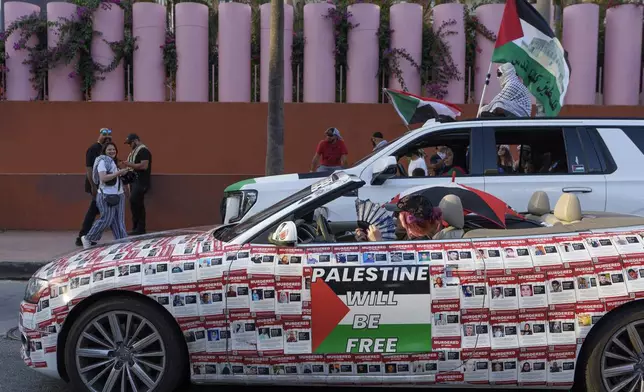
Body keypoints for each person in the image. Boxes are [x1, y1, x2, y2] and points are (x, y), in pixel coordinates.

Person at [80, 142, 129, 249]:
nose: (112, 152)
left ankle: (123, 242)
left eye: (114, 150)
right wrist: (118, 173)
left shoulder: (114, 162)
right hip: (106, 195)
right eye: (109, 150)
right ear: (104, 151)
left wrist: (123, 174)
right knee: (107, 218)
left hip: (119, 195)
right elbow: (103, 178)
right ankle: (88, 238)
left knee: (119, 220)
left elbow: (116, 178)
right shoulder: (102, 161)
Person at [76, 127, 112, 247]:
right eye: (104, 135)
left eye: (108, 136)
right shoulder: (93, 149)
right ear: (99, 135)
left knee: (97, 211)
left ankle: (86, 236)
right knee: (95, 211)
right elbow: (89, 169)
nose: (106, 138)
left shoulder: (106, 149)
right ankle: (84, 236)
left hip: (104, 185)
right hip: (96, 185)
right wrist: (93, 186)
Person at [356, 194, 443, 242]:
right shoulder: (414, 237)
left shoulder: (420, 243)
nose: (394, 216)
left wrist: (377, 244)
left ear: (408, 220)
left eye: (397, 214)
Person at [121, 133, 152, 235]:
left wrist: (129, 164)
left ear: (136, 140)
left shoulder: (143, 151)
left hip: (141, 182)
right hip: (134, 182)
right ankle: (136, 228)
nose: (130, 145)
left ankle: (140, 228)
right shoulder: (134, 152)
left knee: (136, 203)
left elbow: (144, 166)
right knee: (134, 203)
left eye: (130, 143)